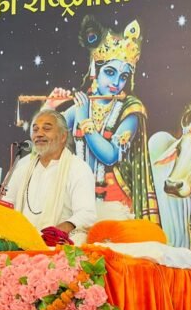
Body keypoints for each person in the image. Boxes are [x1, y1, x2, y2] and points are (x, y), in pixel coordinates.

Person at [45, 16, 160, 224]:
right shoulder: (83, 103)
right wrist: (49, 107)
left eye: (123, 77)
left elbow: (110, 155)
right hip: (77, 198)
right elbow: (46, 139)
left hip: (113, 200)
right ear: (95, 71)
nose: (117, 83)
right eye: (110, 72)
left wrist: (84, 121)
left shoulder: (130, 109)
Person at [3, 109, 96, 245]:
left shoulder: (78, 168)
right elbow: (6, 205)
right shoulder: (22, 166)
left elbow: (86, 214)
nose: (39, 134)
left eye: (46, 129)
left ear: (63, 136)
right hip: (21, 243)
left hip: (57, 246)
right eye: (35, 130)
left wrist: (56, 232)